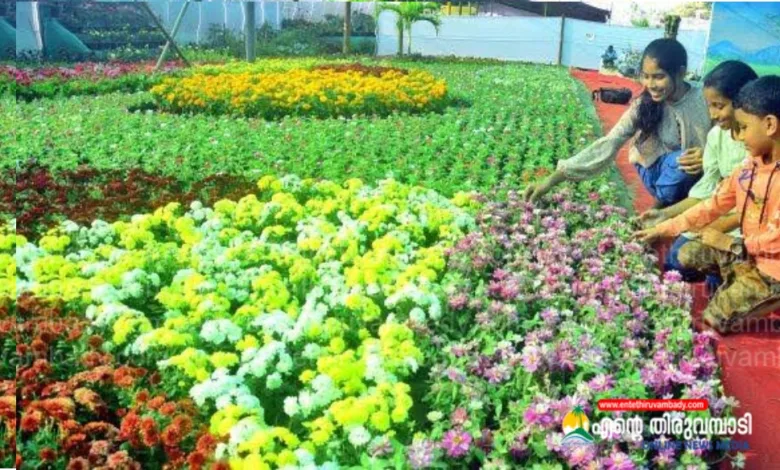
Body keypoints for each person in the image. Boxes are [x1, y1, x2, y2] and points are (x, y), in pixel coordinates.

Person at [635, 76, 780, 333]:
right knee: (686, 254)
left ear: (769, 125)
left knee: (714, 320)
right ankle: (740, 281)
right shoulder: (749, 168)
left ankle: (765, 292)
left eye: (744, 127)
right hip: (749, 253)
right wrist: (662, 227)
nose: (740, 136)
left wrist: (733, 244)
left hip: (773, 268)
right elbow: (711, 206)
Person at [525, 38, 711, 208]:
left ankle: (675, 204)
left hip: (699, 172)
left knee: (690, 166)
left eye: (658, 77)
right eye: (646, 76)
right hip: (656, 171)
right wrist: (549, 181)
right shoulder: (643, 105)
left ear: (680, 73)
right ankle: (657, 209)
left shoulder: (704, 99)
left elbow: (724, 138)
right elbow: (610, 141)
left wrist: (707, 155)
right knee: (682, 161)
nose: (650, 85)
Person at [641, 61, 758, 292]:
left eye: (719, 106)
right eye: (709, 106)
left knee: (696, 257)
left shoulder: (759, 145)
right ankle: (722, 269)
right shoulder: (716, 136)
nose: (713, 114)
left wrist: (708, 231)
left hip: (752, 226)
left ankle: (735, 269)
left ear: (744, 102)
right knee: (675, 262)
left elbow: (750, 211)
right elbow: (707, 194)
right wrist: (664, 215)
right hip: (722, 214)